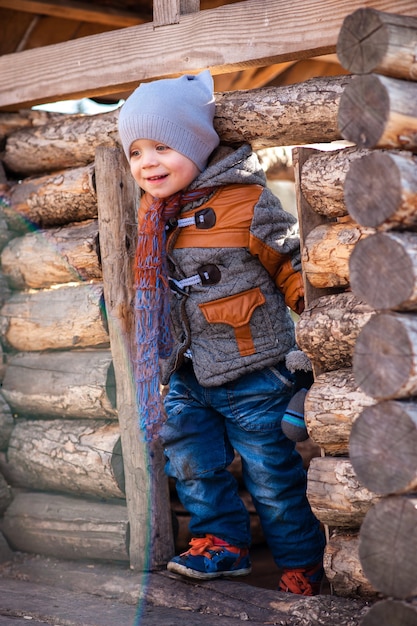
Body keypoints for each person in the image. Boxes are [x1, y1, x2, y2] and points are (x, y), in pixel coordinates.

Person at [118, 70, 325, 596]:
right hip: (185, 371)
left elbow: (291, 266)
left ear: (196, 144)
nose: (147, 162)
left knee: (272, 477)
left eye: (162, 146)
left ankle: (303, 562)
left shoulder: (247, 202)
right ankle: (222, 545)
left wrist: (319, 332)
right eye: (136, 152)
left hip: (255, 369)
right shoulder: (152, 217)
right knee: (192, 466)